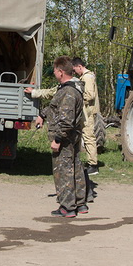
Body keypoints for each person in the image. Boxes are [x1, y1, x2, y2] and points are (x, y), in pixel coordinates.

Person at [38, 56, 87, 218]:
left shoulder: (69, 92)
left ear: (60, 72)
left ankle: (67, 207)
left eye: (54, 71)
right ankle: (80, 203)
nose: (53, 73)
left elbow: (66, 120)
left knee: (64, 171)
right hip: (72, 136)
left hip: (65, 138)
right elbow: (55, 106)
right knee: (75, 168)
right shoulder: (68, 88)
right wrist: (42, 115)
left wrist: (57, 140)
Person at [71, 57, 102, 175]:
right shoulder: (86, 77)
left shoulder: (87, 77)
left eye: (75, 70)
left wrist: (77, 98)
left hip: (88, 112)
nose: (75, 72)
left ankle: (93, 165)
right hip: (87, 111)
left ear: (79, 66)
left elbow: (89, 95)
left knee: (89, 137)